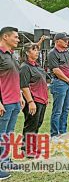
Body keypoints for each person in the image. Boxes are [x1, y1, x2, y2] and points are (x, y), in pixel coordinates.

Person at [0, 27, 24, 180]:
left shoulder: (11, 55)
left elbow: (14, 77)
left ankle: (5, 161)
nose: (18, 39)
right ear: (5, 36)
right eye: (15, 37)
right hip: (5, 102)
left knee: (8, 134)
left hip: (14, 101)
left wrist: (20, 94)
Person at [20, 43, 49, 158]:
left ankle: (31, 146)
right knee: (31, 125)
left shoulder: (36, 66)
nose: (37, 52)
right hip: (33, 100)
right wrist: (30, 102)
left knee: (37, 124)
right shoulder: (25, 67)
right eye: (33, 50)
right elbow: (24, 86)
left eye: (37, 50)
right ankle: (27, 149)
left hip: (42, 100)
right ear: (27, 52)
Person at [48, 33, 69, 139]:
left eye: (67, 40)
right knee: (57, 110)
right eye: (64, 40)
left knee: (66, 108)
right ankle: (54, 134)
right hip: (59, 83)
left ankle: (63, 131)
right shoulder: (52, 53)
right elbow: (56, 70)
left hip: (68, 83)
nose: (67, 42)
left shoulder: (67, 53)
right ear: (57, 41)